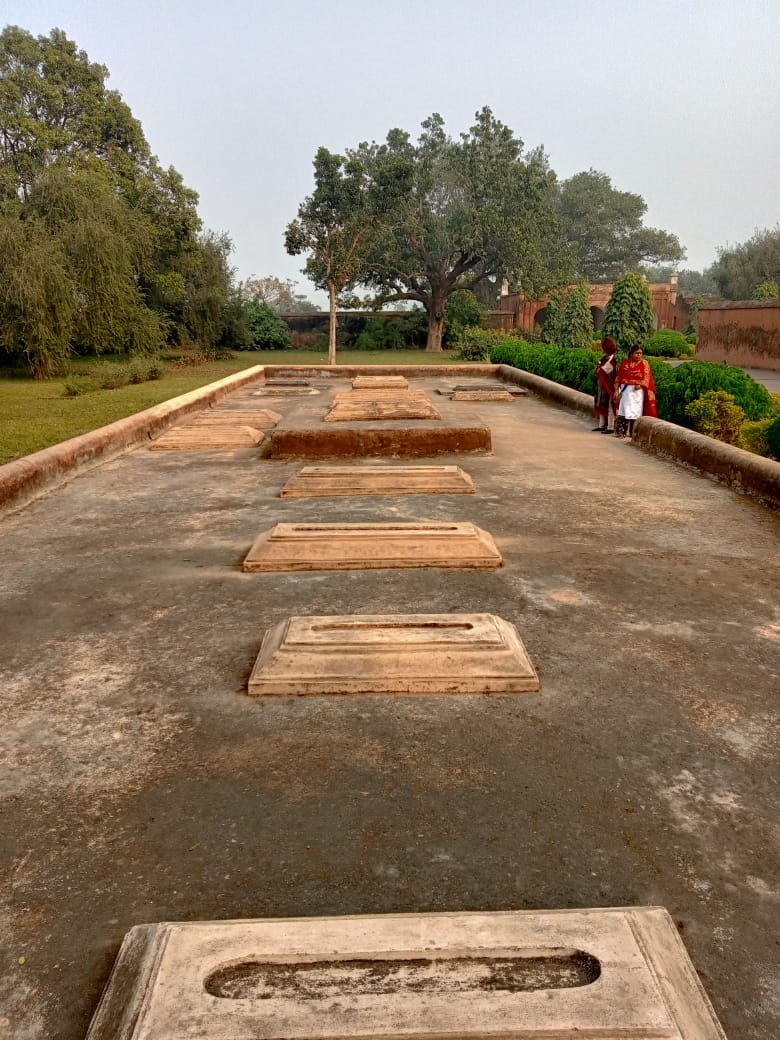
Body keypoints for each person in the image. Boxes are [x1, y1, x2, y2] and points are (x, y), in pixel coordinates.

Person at [614, 344, 657, 439]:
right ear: (632, 353)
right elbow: (618, 377)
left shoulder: (644, 363)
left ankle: (633, 433)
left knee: (635, 412)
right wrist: (616, 390)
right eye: (637, 353)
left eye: (641, 353)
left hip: (637, 392)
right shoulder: (625, 363)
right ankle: (621, 432)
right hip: (625, 391)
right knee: (623, 410)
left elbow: (647, 378)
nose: (639, 355)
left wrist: (641, 384)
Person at [593, 337, 618, 433]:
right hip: (601, 387)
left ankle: (610, 427)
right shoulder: (604, 359)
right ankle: (601, 425)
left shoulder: (612, 361)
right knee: (601, 405)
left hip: (609, 388)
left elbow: (603, 372)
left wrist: (599, 369)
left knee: (610, 407)